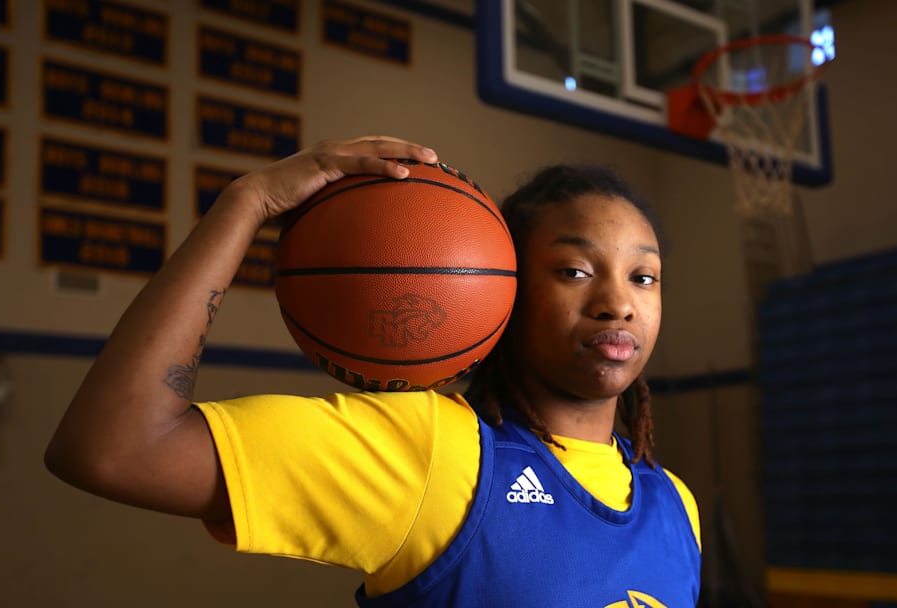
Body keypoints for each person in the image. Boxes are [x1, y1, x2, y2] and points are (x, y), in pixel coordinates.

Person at [45, 136, 702, 607]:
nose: (619, 302)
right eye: (574, 271)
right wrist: (246, 203)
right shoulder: (429, 453)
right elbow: (114, 448)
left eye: (644, 277)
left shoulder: (677, 507)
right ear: (501, 290)